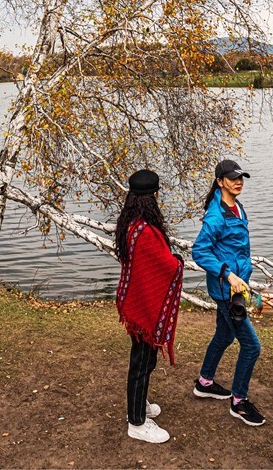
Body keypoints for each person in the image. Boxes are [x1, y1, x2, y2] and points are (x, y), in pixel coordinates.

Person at [191, 159, 265, 427]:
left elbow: (235, 248)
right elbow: (199, 251)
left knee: (224, 335)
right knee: (251, 346)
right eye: (233, 178)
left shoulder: (236, 206)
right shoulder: (216, 216)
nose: (238, 182)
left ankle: (204, 382)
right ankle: (239, 402)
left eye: (241, 177)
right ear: (220, 181)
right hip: (226, 290)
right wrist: (229, 274)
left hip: (236, 286)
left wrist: (243, 277)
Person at [115, 169, 184, 444]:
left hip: (136, 302)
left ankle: (138, 404)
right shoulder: (145, 231)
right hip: (143, 309)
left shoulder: (131, 224)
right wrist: (178, 261)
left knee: (144, 359)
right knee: (142, 362)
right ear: (153, 196)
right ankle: (137, 422)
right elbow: (166, 266)